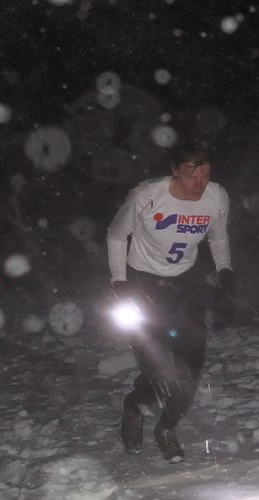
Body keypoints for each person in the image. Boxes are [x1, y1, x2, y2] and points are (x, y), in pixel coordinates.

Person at [106, 143, 235, 463]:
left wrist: (226, 272)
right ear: (175, 170)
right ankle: (134, 407)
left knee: (190, 369)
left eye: (205, 176)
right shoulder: (147, 196)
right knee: (160, 369)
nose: (199, 184)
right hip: (143, 283)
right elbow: (116, 235)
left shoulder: (217, 197)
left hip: (184, 284)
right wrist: (119, 280)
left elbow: (218, 237)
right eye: (192, 176)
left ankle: (166, 427)